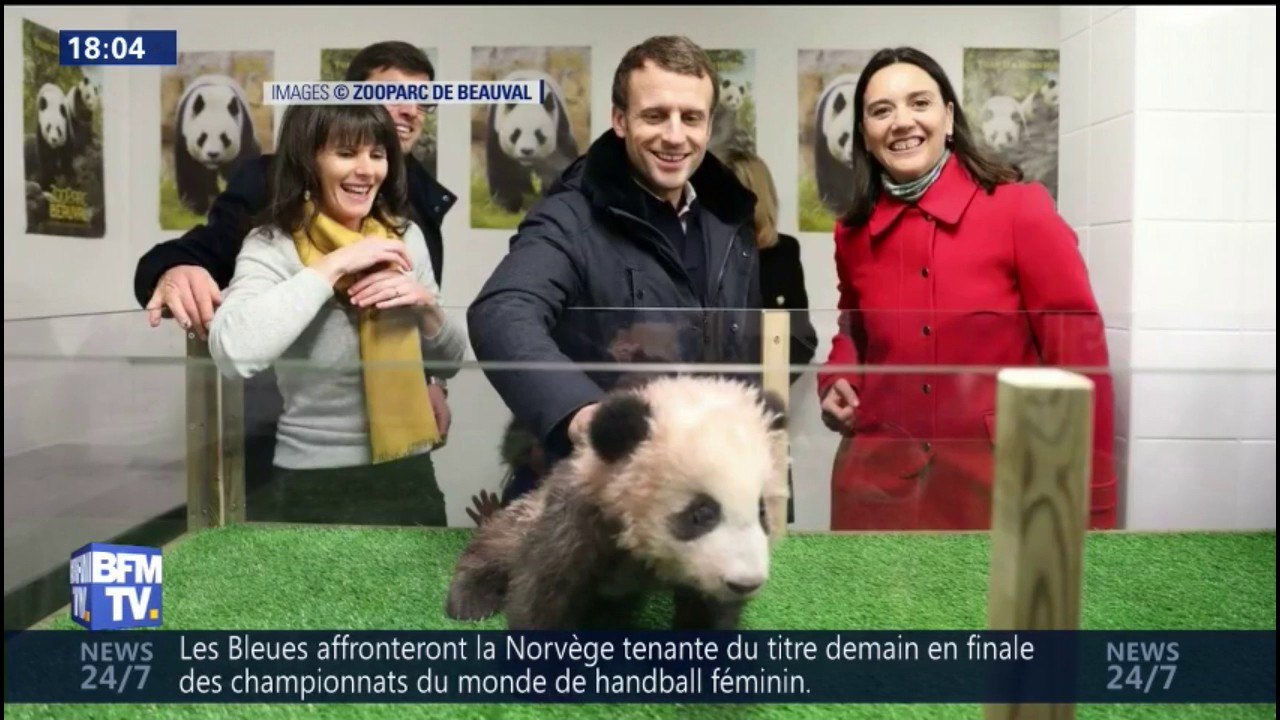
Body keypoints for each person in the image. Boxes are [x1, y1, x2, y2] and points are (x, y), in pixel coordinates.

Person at [133, 41, 457, 502]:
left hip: (403, 455)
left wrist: (432, 379)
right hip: (286, 430)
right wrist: (172, 269)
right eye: (391, 95)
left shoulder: (415, 203)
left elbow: (423, 309)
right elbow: (208, 252)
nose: (408, 111)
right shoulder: (271, 191)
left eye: (422, 100)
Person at [816, 47, 1118, 531]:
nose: (902, 121)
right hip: (874, 491)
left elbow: (1081, 367)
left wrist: (1095, 504)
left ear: (949, 117)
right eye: (881, 110)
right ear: (865, 137)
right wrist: (838, 374)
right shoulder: (852, 232)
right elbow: (853, 327)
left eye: (920, 103)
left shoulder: (1021, 211)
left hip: (997, 492)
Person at [467, 35, 762, 504]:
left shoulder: (730, 222)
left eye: (691, 118)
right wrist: (582, 412)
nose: (674, 136)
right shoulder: (569, 215)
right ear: (620, 120)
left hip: (700, 490)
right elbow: (501, 312)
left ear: (709, 125)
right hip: (590, 493)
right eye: (654, 115)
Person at [207, 102, 467, 526]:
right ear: (309, 162)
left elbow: (451, 361)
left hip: (409, 473)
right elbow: (234, 351)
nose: (366, 170)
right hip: (313, 479)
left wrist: (427, 309)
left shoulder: (406, 237)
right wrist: (334, 266)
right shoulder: (272, 244)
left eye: (377, 155)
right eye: (346, 154)